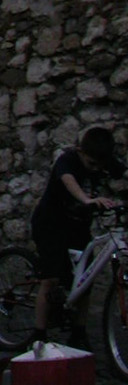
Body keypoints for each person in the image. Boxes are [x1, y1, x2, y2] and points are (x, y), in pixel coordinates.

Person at [31, 125, 124, 348]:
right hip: (51, 223)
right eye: (91, 164)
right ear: (81, 152)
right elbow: (68, 180)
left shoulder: (104, 160)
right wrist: (86, 199)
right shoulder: (68, 160)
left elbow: (123, 172)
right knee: (50, 280)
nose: (96, 169)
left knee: (85, 281)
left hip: (78, 227)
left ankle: (79, 332)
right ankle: (38, 335)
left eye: (100, 165)